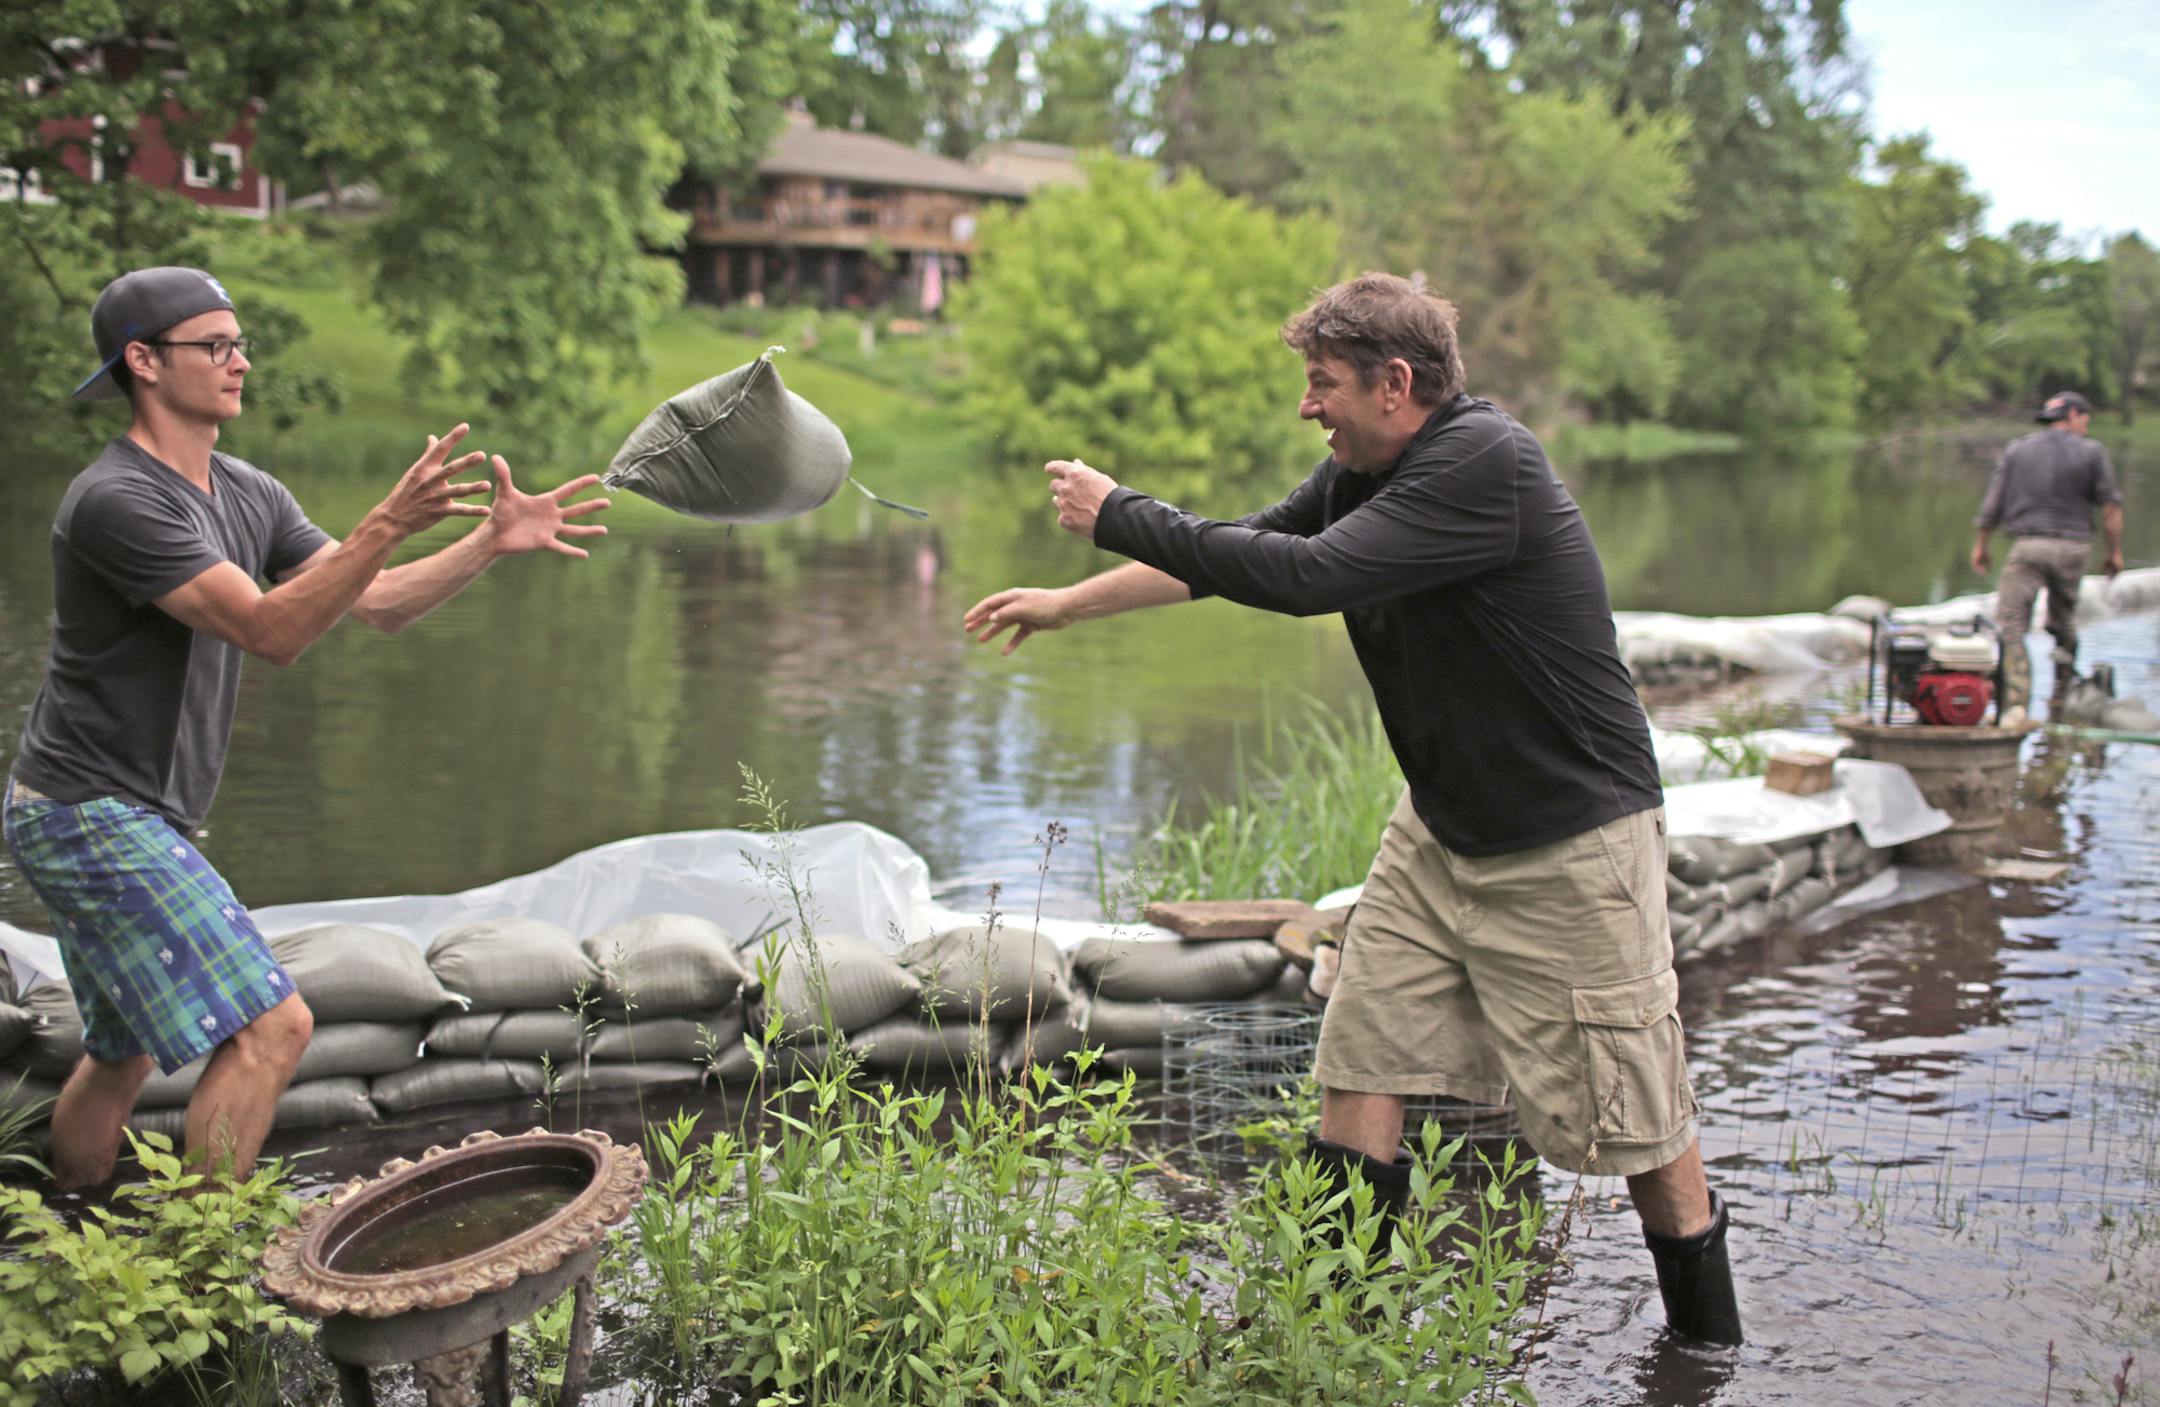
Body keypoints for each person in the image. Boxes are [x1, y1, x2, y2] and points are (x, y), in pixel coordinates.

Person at [963, 272, 1742, 1346]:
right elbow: (1233, 554)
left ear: (1397, 383)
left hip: (1570, 839)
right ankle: (1325, 1331)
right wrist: (1068, 604)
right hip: (1440, 829)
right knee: (1364, 1056)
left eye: (1322, 383)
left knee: (1634, 1105)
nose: (1307, 405)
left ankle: (1705, 1345)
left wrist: (1119, 514)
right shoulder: (1358, 472)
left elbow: (1305, 580)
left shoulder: (1485, 464)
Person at [3, 267, 609, 1189]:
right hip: (88, 813)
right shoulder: (118, 501)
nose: (240, 361)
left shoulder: (246, 492)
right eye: (215, 345)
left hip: (122, 812)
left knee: (123, 1050)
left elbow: (379, 604)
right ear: (144, 361)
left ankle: (73, 1229)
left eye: (240, 342)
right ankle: (197, 1281)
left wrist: (484, 541)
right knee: (275, 1026)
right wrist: (386, 521)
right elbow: (271, 629)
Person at [1971, 389, 2125, 719]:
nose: (2087, 426)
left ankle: (2015, 703)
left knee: (2010, 625)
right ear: (2073, 416)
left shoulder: (2018, 450)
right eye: (2086, 419)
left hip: (2028, 546)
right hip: (2073, 547)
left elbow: (1992, 504)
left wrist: (1982, 545)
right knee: (2063, 620)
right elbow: (2111, 508)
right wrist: (2114, 553)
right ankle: (2062, 690)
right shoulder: (2092, 452)